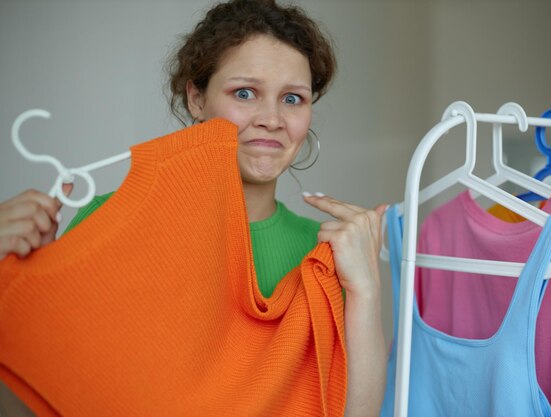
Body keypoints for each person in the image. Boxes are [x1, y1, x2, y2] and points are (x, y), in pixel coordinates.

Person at [0, 1, 387, 416]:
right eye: (245, 93)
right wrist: (22, 281)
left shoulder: (327, 255)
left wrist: (366, 290)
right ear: (196, 98)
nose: (272, 119)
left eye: (293, 98)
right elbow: (40, 396)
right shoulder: (109, 222)